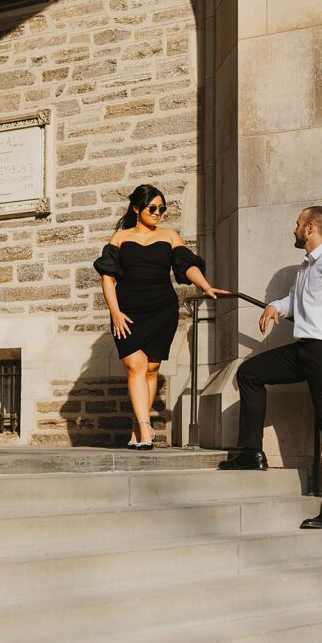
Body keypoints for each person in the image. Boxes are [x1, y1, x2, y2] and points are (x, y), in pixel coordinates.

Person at [218, 206, 322, 530]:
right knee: (250, 372)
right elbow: (297, 302)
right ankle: (252, 453)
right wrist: (275, 306)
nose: (294, 229)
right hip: (305, 350)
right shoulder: (308, 265)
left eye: (298, 224)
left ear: (310, 228)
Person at [94, 184, 225, 449]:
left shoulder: (169, 235)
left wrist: (205, 286)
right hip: (128, 311)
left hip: (161, 309)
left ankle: (137, 427)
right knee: (135, 366)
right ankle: (145, 428)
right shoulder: (120, 237)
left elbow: (186, 265)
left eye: (162, 209)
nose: (158, 213)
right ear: (136, 208)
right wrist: (115, 312)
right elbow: (107, 278)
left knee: (152, 369)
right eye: (152, 208)